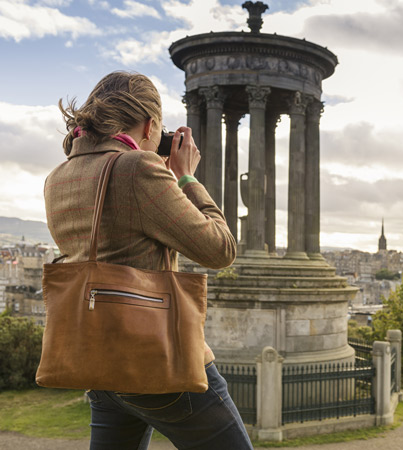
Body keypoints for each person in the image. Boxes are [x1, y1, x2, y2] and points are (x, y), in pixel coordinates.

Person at [44, 71, 254, 450]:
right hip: (158, 364)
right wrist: (187, 178)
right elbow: (221, 249)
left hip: (100, 366)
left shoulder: (59, 176)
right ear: (150, 125)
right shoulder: (139, 170)